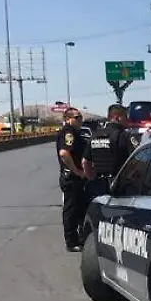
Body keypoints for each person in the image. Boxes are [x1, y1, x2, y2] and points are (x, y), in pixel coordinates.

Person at [56, 108, 91, 252]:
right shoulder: (68, 132)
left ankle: (80, 237)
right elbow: (64, 153)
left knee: (80, 208)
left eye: (81, 117)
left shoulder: (76, 133)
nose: (80, 120)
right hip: (71, 178)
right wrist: (77, 171)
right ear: (68, 119)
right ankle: (71, 241)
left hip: (77, 178)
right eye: (77, 117)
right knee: (70, 210)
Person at [85, 104, 135, 198]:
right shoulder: (124, 136)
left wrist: (91, 178)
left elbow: (85, 161)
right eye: (125, 117)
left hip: (98, 185)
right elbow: (136, 160)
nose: (127, 120)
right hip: (118, 185)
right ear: (117, 118)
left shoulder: (95, 135)